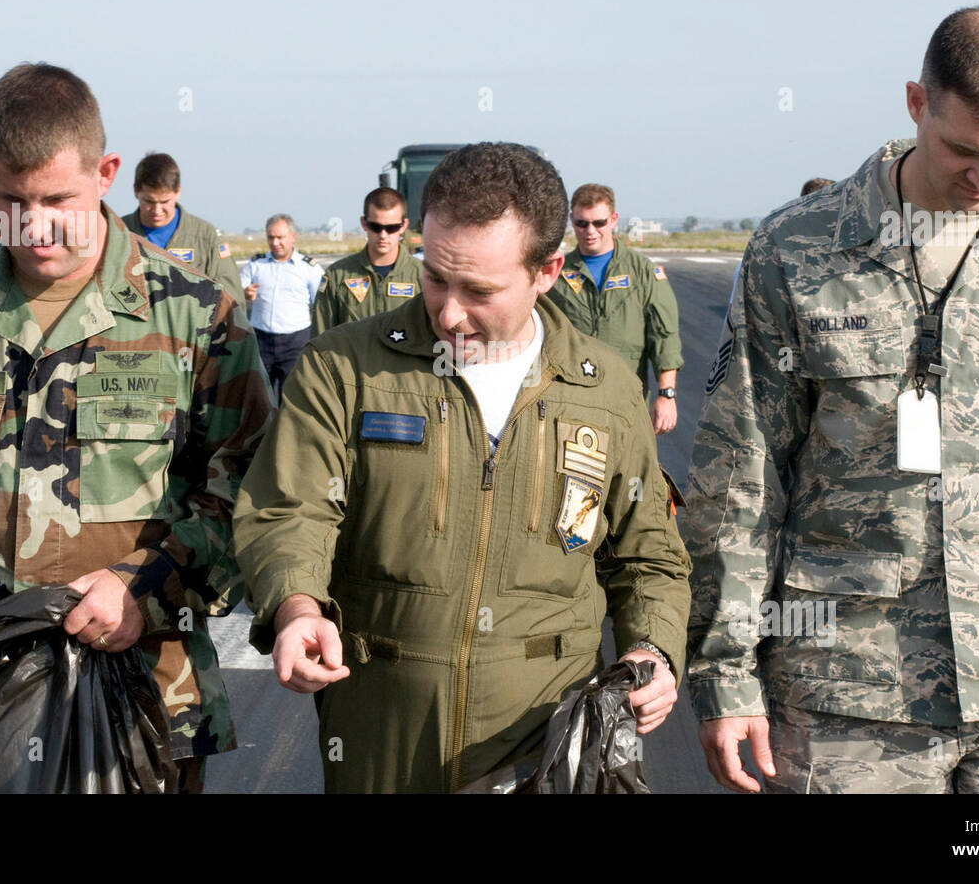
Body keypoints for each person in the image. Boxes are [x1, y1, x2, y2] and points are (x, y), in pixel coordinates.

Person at [685, 7, 979, 794]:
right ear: (915, 103)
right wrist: (724, 670)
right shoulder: (797, 251)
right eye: (963, 150)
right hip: (851, 692)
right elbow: (741, 474)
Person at [0, 63, 272, 794]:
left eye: (58, 200)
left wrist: (147, 588)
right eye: (12, 200)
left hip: (138, 705)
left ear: (105, 174)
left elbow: (250, 499)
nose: (34, 226)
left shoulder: (200, 317)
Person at [234, 143, 691, 793]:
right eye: (436, 277)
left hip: (543, 742)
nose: (448, 312)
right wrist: (296, 604)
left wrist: (650, 648)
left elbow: (649, 557)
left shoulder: (606, 390)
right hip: (379, 739)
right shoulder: (344, 369)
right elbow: (290, 507)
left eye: (479, 290)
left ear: (548, 270)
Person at [545, 184, 683, 434]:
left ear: (614, 220)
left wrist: (667, 395)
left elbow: (664, 335)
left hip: (626, 399)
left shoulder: (642, 272)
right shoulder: (557, 273)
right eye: (581, 223)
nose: (590, 231)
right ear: (571, 221)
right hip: (571, 400)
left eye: (599, 223)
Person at [121, 152, 243, 304]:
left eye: (164, 202)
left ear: (177, 191)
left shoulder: (206, 237)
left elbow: (233, 301)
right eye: (149, 202)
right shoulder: (117, 235)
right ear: (136, 191)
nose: (157, 210)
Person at [311, 187, 422, 336]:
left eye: (391, 228)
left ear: (404, 226)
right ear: (364, 223)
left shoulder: (423, 276)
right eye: (376, 227)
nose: (383, 235)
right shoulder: (337, 277)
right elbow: (321, 338)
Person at [241, 214, 324, 403]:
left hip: (295, 342)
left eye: (280, 237)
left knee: (292, 397)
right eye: (271, 237)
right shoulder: (256, 264)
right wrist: (244, 293)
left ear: (293, 237)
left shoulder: (309, 268)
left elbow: (322, 302)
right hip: (261, 340)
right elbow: (236, 291)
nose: (275, 242)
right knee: (257, 397)